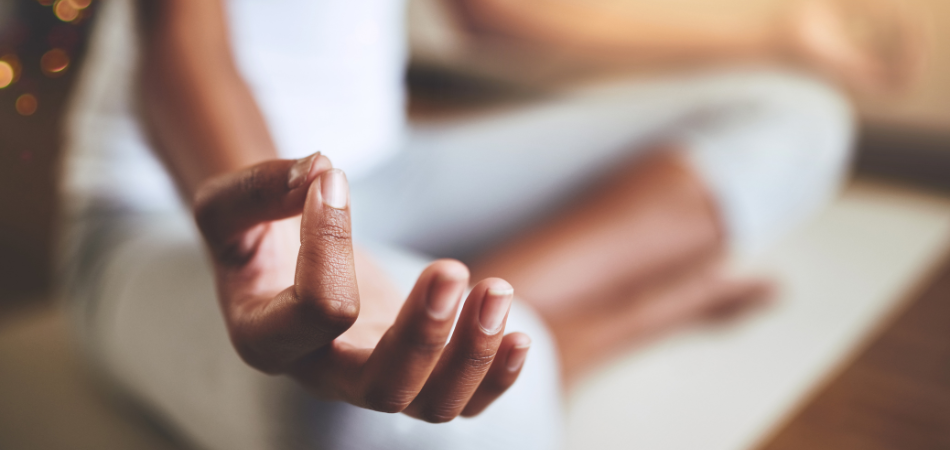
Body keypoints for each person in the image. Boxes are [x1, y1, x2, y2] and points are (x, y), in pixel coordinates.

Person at [57, 0, 918, 449]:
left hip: (390, 174)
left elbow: (497, 14)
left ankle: (480, 325)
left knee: (794, 117)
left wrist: (776, 28)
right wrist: (282, 252)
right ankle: (592, 326)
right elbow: (184, 45)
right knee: (382, 430)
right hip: (167, 213)